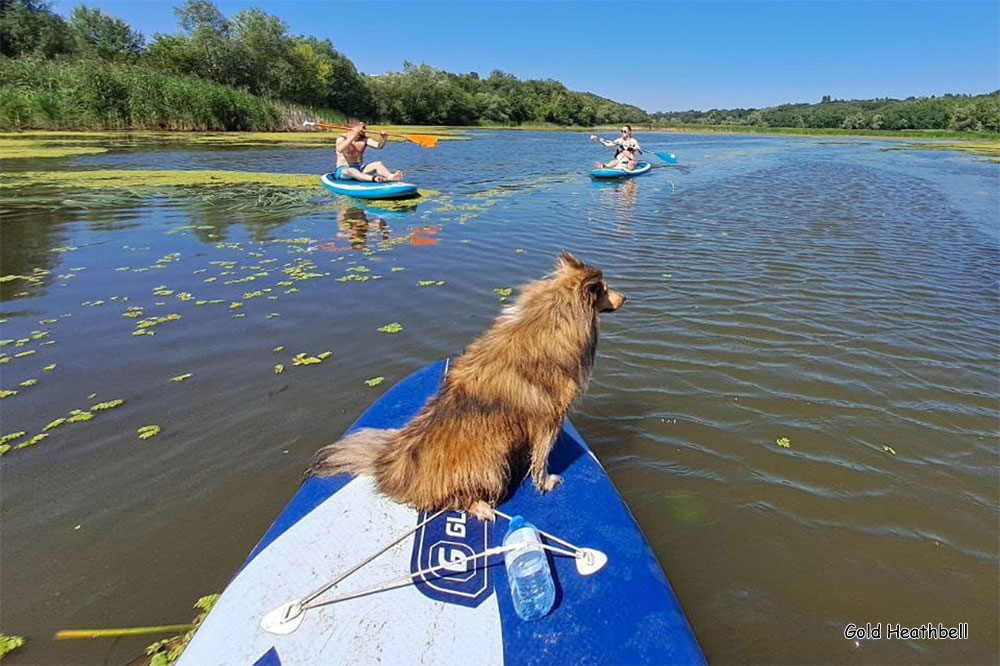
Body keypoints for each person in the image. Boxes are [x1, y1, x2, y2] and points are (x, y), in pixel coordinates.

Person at [334, 120, 404, 182]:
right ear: (352, 127)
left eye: (364, 127)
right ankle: (374, 179)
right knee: (352, 170)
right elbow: (340, 149)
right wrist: (354, 134)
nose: (362, 129)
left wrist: (383, 138)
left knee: (378, 164)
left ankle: (390, 176)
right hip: (344, 171)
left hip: (359, 168)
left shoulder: (365, 140)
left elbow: (379, 146)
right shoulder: (342, 138)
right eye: (360, 127)